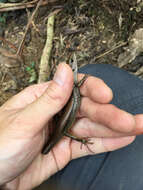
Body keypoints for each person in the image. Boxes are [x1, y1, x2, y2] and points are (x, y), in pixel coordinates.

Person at [0, 62, 143, 190]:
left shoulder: (75, 89)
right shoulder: (75, 88)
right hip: (62, 133)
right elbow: (77, 89)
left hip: (61, 139)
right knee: (99, 75)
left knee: (97, 73)